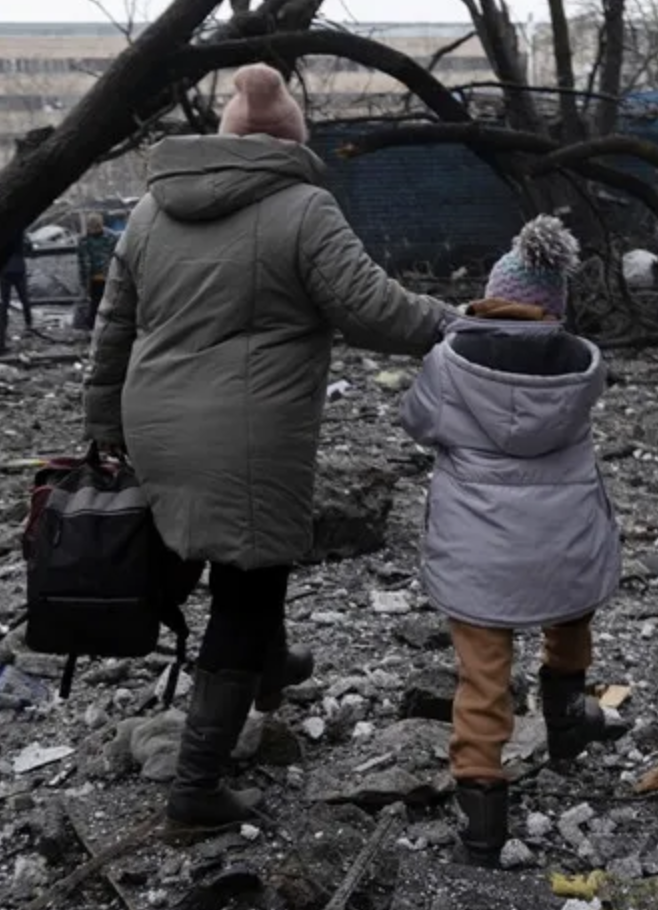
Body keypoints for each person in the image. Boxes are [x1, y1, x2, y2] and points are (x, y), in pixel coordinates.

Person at [83, 64, 452, 831]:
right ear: (290, 139)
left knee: (239, 559)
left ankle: (270, 670)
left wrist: (102, 424)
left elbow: (112, 325)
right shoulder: (303, 207)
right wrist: (459, 323)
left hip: (154, 421)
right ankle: (196, 789)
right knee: (246, 590)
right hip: (248, 431)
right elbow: (375, 311)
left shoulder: (150, 210)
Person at [399, 216, 623, 868]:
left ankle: (482, 826)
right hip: (564, 539)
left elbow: (416, 421)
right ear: (555, 306)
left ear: (491, 295)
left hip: (479, 550)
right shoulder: (583, 366)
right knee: (570, 619)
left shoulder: (448, 364)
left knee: (483, 675)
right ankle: (567, 726)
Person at [76, 213, 118, 330]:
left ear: (101, 225)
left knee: (110, 305)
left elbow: (117, 257)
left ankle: (109, 328)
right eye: (92, 227)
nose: (94, 229)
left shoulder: (112, 238)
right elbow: (82, 263)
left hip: (109, 277)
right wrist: (83, 284)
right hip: (92, 280)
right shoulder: (83, 240)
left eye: (96, 226)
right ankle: (93, 329)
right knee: (94, 305)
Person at [0, 230, 34, 355]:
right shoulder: (20, 232)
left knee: (4, 305)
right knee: (24, 300)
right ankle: (29, 326)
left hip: (4, 271)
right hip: (18, 269)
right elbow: (29, 250)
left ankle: (1, 341)